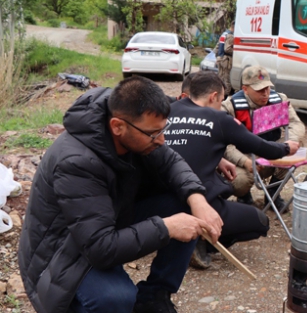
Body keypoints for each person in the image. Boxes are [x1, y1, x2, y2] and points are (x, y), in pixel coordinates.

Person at [18, 76, 224, 313]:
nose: (161, 140)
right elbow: (100, 248)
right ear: (117, 126)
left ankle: (154, 297)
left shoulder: (134, 130)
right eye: (153, 134)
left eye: (162, 130)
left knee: (184, 203)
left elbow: (170, 161)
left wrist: (197, 199)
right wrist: (167, 227)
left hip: (104, 220)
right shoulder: (76, 162)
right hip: (61, 254)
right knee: (116, 299)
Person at [163, 71, 298, 269]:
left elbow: (186, 145)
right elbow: (263, 148)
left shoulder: (169, 111)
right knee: (260, 223)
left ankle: (173, 237)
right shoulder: (219, 118)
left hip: (159, 202)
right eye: (221, 99)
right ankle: (199, 241)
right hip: (199, 202)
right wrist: (287, 148)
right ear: (213, 97)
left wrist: (218, 161)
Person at [221, 66, 304, 212]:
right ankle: (244, 196)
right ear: (245, 89)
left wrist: (288, 143)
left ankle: (273, 193)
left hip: (272, 150)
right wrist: (244, 161)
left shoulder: (279, 99)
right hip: (244, 157)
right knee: (239, 182)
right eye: (259, 90)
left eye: (267, 88)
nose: (265, 94)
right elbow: (224, 145)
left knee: (295, 151)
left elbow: (296, 123)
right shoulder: (230, 106)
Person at [213, 20, 235, 94]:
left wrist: (218, 57)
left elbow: (217, 47)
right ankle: (224, 98)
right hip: (226, 60)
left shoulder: (224, 34)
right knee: (227, 80)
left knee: (220, 78)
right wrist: (237, 52)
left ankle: (218, 94)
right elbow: (227, 49)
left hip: (220, 59)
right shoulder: (230, 35)